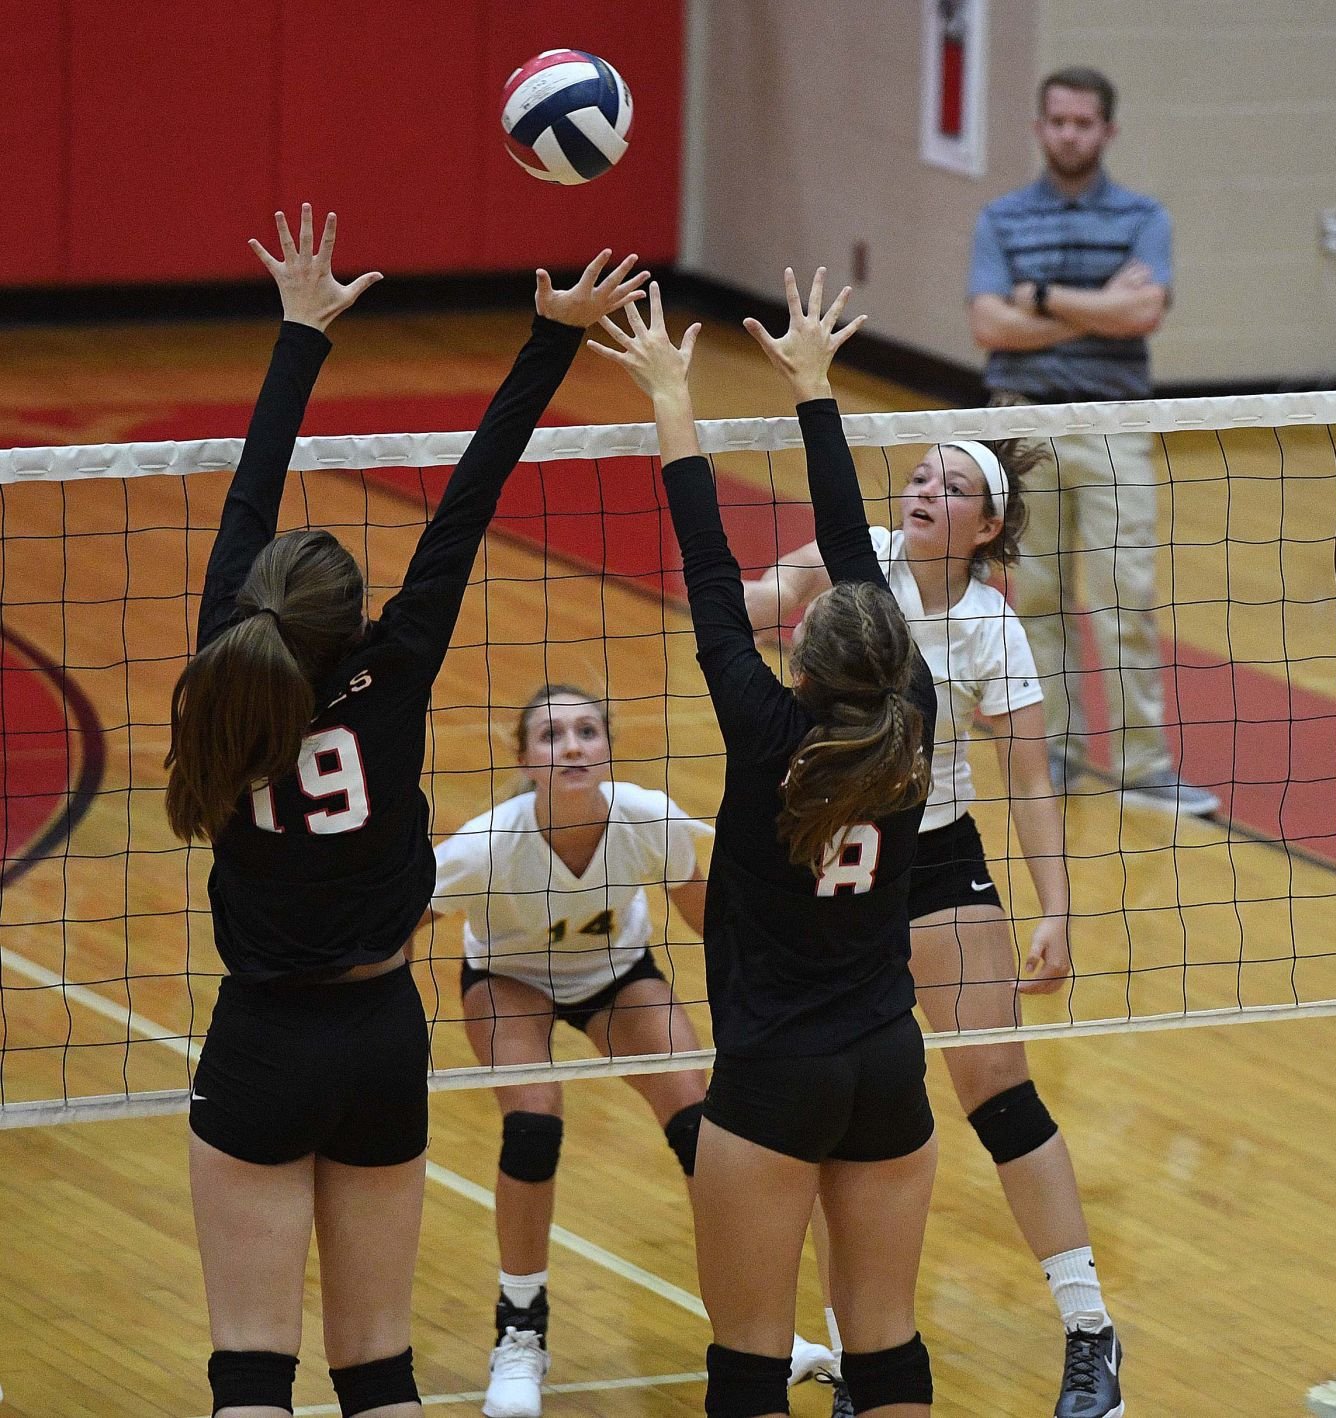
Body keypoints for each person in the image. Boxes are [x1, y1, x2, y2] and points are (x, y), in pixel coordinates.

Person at [164, 206, 645, 1418]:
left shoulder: (223, 668)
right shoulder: (396, 671)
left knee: (248, 1376)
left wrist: (298, 331)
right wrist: (549, 339)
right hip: (383, 1038)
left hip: (261, 1041)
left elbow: (245, 497)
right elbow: (468, 504)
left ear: (255, 610)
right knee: (380, 1373)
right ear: (355, 618)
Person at [592, 270, 940, 1418]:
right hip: (888, 1057)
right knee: (885, 1343)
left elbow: (705, 561)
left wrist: (670, 395)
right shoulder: (914, 714)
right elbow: (852, 549)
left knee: (748, 1359)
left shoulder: (764, 728)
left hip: (777, 1072)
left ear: (799, 657)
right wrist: (812, 383)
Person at [745, 436, 1125, 1418]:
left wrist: (1057, 909)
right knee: (842, 1102)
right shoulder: (848, 558)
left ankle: (1090, 1330)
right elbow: (746, 606)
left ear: (987, 528)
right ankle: (853, 1353)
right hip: (834, 853)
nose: (924, 491)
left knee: (997, 1088)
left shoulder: (995, 627)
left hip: (938, 853)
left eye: (951, 486)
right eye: (918, 476)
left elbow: (1032, 777)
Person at [423, 682, 712, 1418]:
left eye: (587, 731)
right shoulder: (486, 846)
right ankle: (519, 1331)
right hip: (509, 979)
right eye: (552, 736)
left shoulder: (650, 819)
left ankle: (754, 1326)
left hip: (616, 976)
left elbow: (718, 925)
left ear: (607, 747)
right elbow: (398, 924)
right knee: (533, 1123)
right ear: (525, 759)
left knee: (705, 1131)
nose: (573, 745)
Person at [968, 64, 1219, 818]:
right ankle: (1059, 753)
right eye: (1057, 121)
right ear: (1039, 126)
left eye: (1083, 123)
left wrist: (1040, 300)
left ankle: (1146, 768)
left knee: (1123, 600)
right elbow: (987, 327)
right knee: (1036, 597)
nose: (1068, 134)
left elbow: (1142, 315)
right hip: (1024, 427)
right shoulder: (1000, 219)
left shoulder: (1144, 217)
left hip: (1112, 426)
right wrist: (1099, 307)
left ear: (1107, 131)